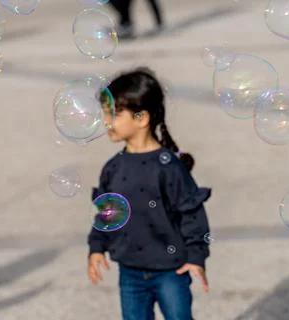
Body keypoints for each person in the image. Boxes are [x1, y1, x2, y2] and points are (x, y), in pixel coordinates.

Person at [86, 67, 212, 320]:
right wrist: (96, 247)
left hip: (171, 271)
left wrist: (196, 256)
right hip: (130, 271)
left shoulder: (169, 167)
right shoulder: (113, 168)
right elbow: (108, 214)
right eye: (105, 113)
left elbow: (192, 214)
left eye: (114, 113)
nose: (106, 120)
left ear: (141, 118)